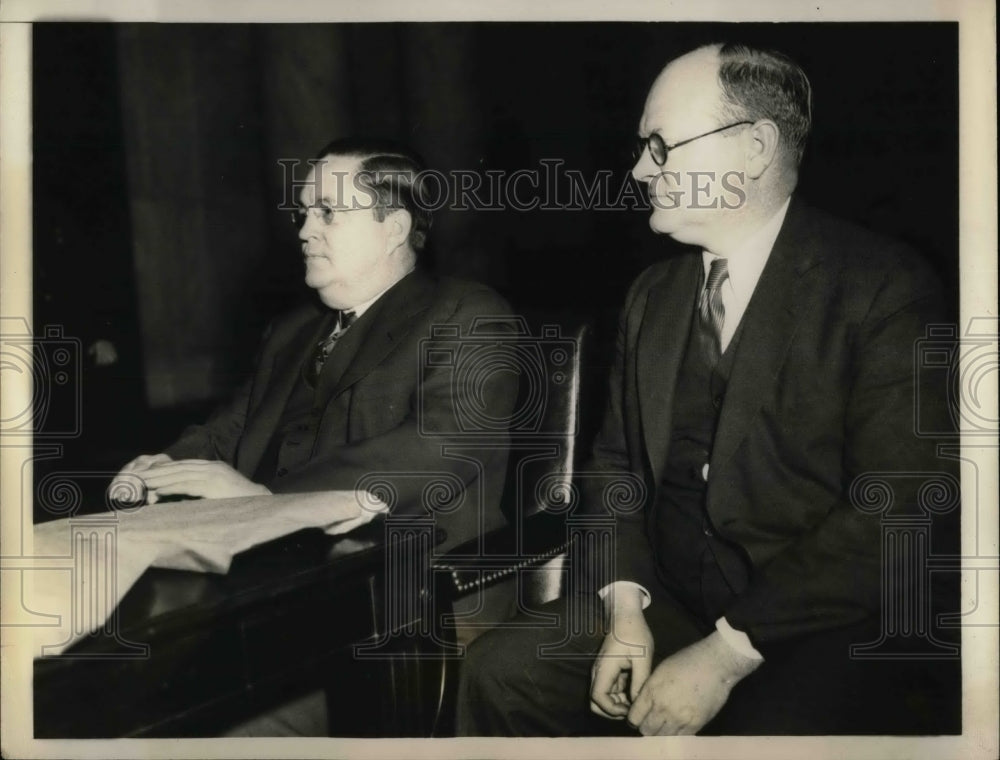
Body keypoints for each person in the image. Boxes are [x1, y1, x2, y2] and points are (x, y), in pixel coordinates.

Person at [457, 42, 958, 736]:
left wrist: (727, 652)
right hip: (667, 600)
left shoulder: (883, 288)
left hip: (824, 625)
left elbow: (898, 512)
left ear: (753, 148)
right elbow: (615, 471)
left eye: (660, 146)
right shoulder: (652, 296)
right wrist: (625, 609)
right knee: (500, 672)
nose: (638, 171)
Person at [110, 137, 518, 553]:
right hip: (280, 571)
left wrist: (268, 503)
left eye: (327, 212)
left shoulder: (467, 314)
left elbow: (441, 445)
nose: (305, 231)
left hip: (418, 587)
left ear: (393, 228)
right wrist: (164, 469)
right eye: (304, 213)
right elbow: (229, 431)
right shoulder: (292, 330)